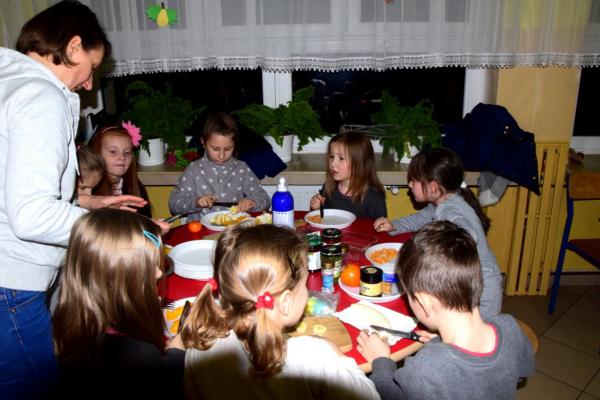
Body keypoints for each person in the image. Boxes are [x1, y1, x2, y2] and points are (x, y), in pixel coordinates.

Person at [0, 3, 146, 398]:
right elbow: (31, 215)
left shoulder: (8, 83)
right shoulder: (40, 96)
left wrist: (89, 206)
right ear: (73, 47)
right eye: (92, 67)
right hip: (12, 285)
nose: (88, 83)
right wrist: (112, 228)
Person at [177, 224, 379, 400]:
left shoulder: (201, 341)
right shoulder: (315, 356)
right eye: (304, 285)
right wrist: (338, 354)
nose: (307, 291)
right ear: (286, 302)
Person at [357, 221, 534, 400]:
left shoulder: (424, 369)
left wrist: (381, 362)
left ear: (424, 302)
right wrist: (440, 343)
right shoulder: (510, 327)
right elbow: (522, 371)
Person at [53, 208, 185, 400]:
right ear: (116, 277)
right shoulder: (138, 355)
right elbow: (166, 386)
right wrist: (178, 350)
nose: (158, 273)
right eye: (149, 265)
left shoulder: (68, 316)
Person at [373, 147, 503, 319]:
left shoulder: (448, 209)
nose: (410, 185)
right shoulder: (443, 200)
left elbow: (469, 235)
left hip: (481, 292)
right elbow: (420, 219)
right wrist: (393, 225)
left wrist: (432, 247)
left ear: (433, 186)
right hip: (471, 283)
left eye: (414, 180)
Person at [169, 112, 270, 218]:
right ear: (203, 142)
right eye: (215, 149)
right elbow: (174, 204)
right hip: (199, 227)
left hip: (234, 226)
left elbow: (265, 199)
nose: (221, 156)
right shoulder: (194, 170)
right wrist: (196, 202)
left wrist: (252, 202)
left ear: (235, 144)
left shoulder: (241, 168)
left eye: (228, 149)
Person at [309, 130, 387, 219]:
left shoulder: (374, 197)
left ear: (359, 163)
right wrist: (316, 209)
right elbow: (323, 219)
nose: (333, 163)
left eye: (341, 158)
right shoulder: (329, 187)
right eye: (331, 156)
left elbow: (379, 225)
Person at [89, 123, 153, 218]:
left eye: (127, 152)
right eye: (113, 152)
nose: (122, 157)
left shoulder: (136, 187)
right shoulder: (91, 189)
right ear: (98, 153)